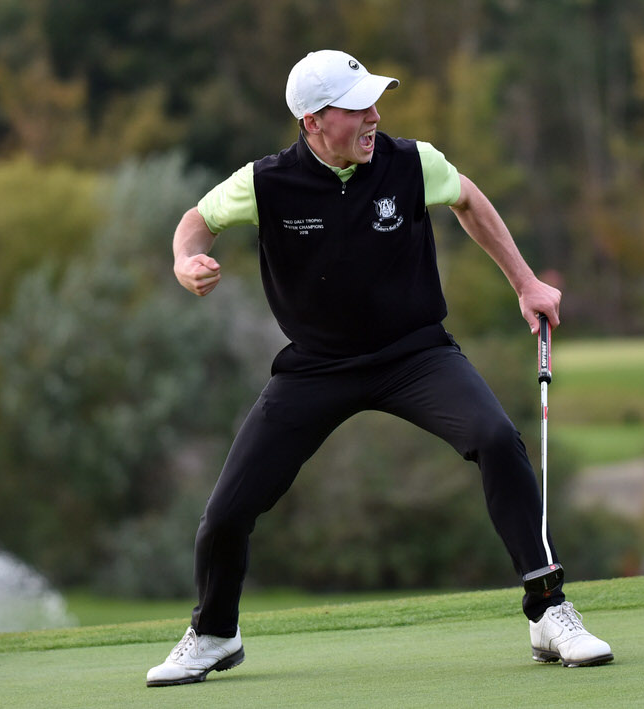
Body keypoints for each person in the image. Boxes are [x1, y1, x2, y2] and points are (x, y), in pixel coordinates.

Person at [146, 50, 613, 687]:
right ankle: (214, 635)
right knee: (228, 510)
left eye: (374, 103)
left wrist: (526, 282)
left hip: (413, 354)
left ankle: (548, 607)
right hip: (316, 367)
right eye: (356, 107)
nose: (374, 117)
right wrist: (184, 261)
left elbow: (470, 201)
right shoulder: (266, 182)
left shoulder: (412, 162)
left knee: (498, 439)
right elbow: (196, 222)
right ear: (312, 121)